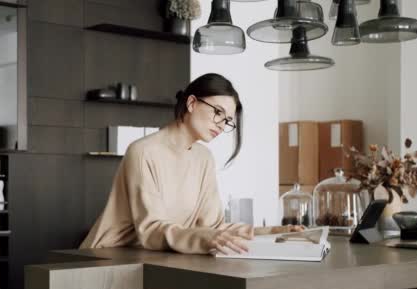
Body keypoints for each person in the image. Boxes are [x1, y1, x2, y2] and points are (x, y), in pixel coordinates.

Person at [80, 73, 302, 255]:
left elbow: (213, 227)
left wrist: (276, 231)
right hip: (106, 259)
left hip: (151, 259)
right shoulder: (142, 151)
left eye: (226, 120)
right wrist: (206, 238)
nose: (221, 125)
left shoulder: (203, 158)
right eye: (217, 112)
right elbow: (151, 232)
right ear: (192, 103)